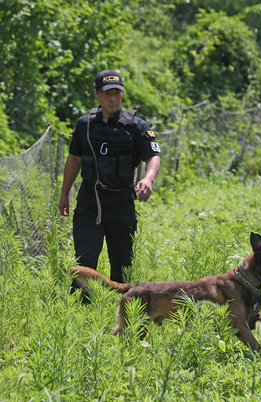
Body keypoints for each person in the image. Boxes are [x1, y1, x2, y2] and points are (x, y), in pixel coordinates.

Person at [58, 69, 161, 299]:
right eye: (107, 94)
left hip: (122, 204)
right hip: (89, 203)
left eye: (117, 93)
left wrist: (147, 178)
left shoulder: (136, 126)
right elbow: (74, 159)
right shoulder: (84, 125)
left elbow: (153, 156)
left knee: (122, 265)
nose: (113, 99)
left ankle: (120, 313)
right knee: (84, 261)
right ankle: (81, 313)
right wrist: (64, 194)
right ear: (97, 94)